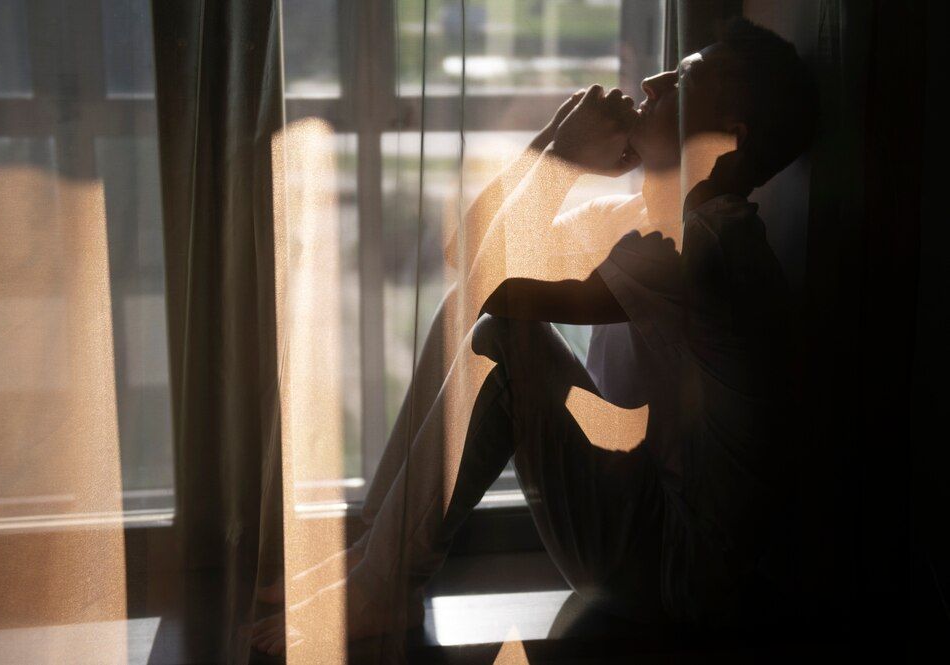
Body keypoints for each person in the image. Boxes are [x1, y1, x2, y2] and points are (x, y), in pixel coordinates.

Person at [251, 17, 815, 655]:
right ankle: (376, 551)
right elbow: (467, 254)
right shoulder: (647, 220)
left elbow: (492, 286)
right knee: (463, 316)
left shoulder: (707, 246)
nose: (653, 82)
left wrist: (559, 159)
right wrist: (551, 144)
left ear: (725, 145)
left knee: (507, 340)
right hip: (651, 528)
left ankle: (384, 584)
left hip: (679, 579)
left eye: (682, 82)